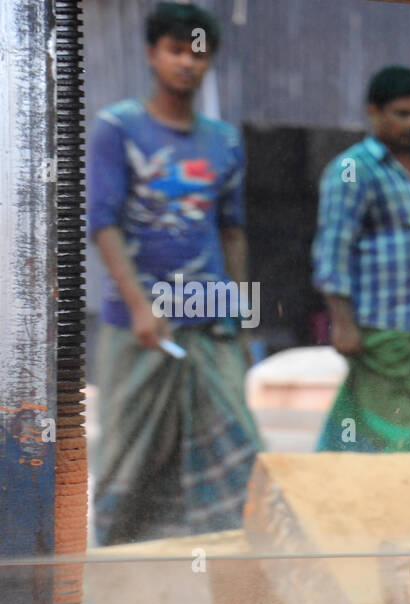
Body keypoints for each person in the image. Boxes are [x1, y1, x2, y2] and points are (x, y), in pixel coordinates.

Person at [88, 2, 261, 547]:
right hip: (139, 324)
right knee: (128, 453)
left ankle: (232, 586)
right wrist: (141, 306)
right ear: (152, 53)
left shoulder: (224, 141)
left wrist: (242, 318)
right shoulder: (119, 129)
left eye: (197, 53)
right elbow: (103, 222)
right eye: (175, 50)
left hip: (208, 323)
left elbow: (231, 230)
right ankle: (121, 586)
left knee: (237, 452)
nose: (186, 62)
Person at [312, 66, 410, 452]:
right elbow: (333, 249)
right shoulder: (354, 170)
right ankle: (392, 503)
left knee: (365, 422)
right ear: (374, 112)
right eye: (401, 114)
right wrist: (342, 322)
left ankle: (326, 494)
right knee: (395, 430)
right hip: (382, 324)